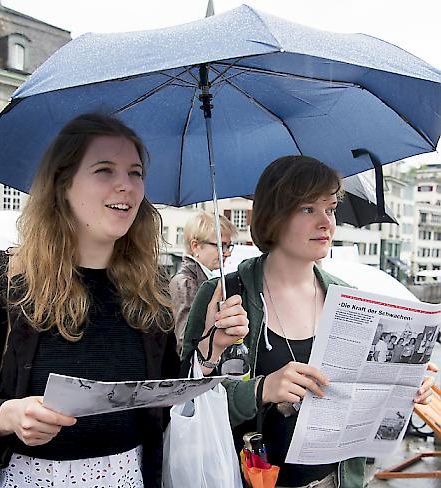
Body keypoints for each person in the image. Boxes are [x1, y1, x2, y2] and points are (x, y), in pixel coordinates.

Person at [0, 113, 248, 488]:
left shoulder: (149, 287)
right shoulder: (8, 277)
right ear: (63, 185)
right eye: (104, 171)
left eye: (135, 173)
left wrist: (211, 349)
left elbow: (160, 403)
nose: (126, 186)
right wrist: (9, 415)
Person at [182, 155, 437, 488]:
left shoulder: (349, 298)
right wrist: (259, 386)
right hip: (245, 476)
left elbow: (361, 403)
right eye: (308, 209)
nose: (326, 223)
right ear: (273, 216)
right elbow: (185, 400)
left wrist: (403, 386)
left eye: (330, 209)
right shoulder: (224, 294)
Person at [169, 210, 237, 354]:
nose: (228, 252)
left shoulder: (204, 280)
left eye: (229, 246)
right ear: (195, 246)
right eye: (221, 245)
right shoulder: (186, 283)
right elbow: (184, 341)